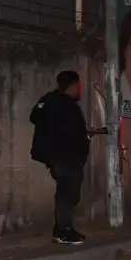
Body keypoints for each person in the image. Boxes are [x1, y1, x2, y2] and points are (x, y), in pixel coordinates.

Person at [30, 70, 100, 245]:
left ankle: (62, 228)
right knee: (68, 193)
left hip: (57, 156)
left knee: (66, 191)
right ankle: (63, 230)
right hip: (65, 156)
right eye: (79, 86)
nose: (80, 90)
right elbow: (70, 133)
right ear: (73, 85)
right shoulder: (66, 106)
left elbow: (35, 116)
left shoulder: (48, 100)